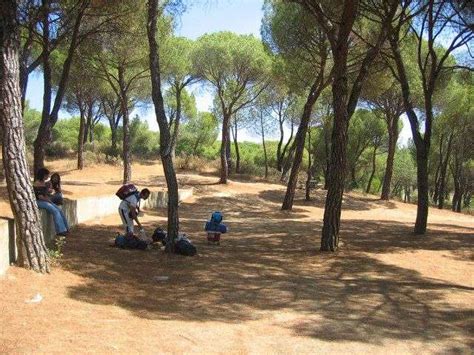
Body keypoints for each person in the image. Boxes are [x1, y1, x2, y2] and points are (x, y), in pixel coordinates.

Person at [33, 168, 69, 236]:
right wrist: (48, 200)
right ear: (43, 175)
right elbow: (40, 197)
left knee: (59, 210)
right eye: (47, 175)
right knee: (55, 211)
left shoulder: (43, 183)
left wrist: (49, 196)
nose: (48, 177)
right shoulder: (37, 183)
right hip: (39, 201)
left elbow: (45, 195)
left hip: (45, 200)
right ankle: (60, 231)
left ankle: (66, 228)